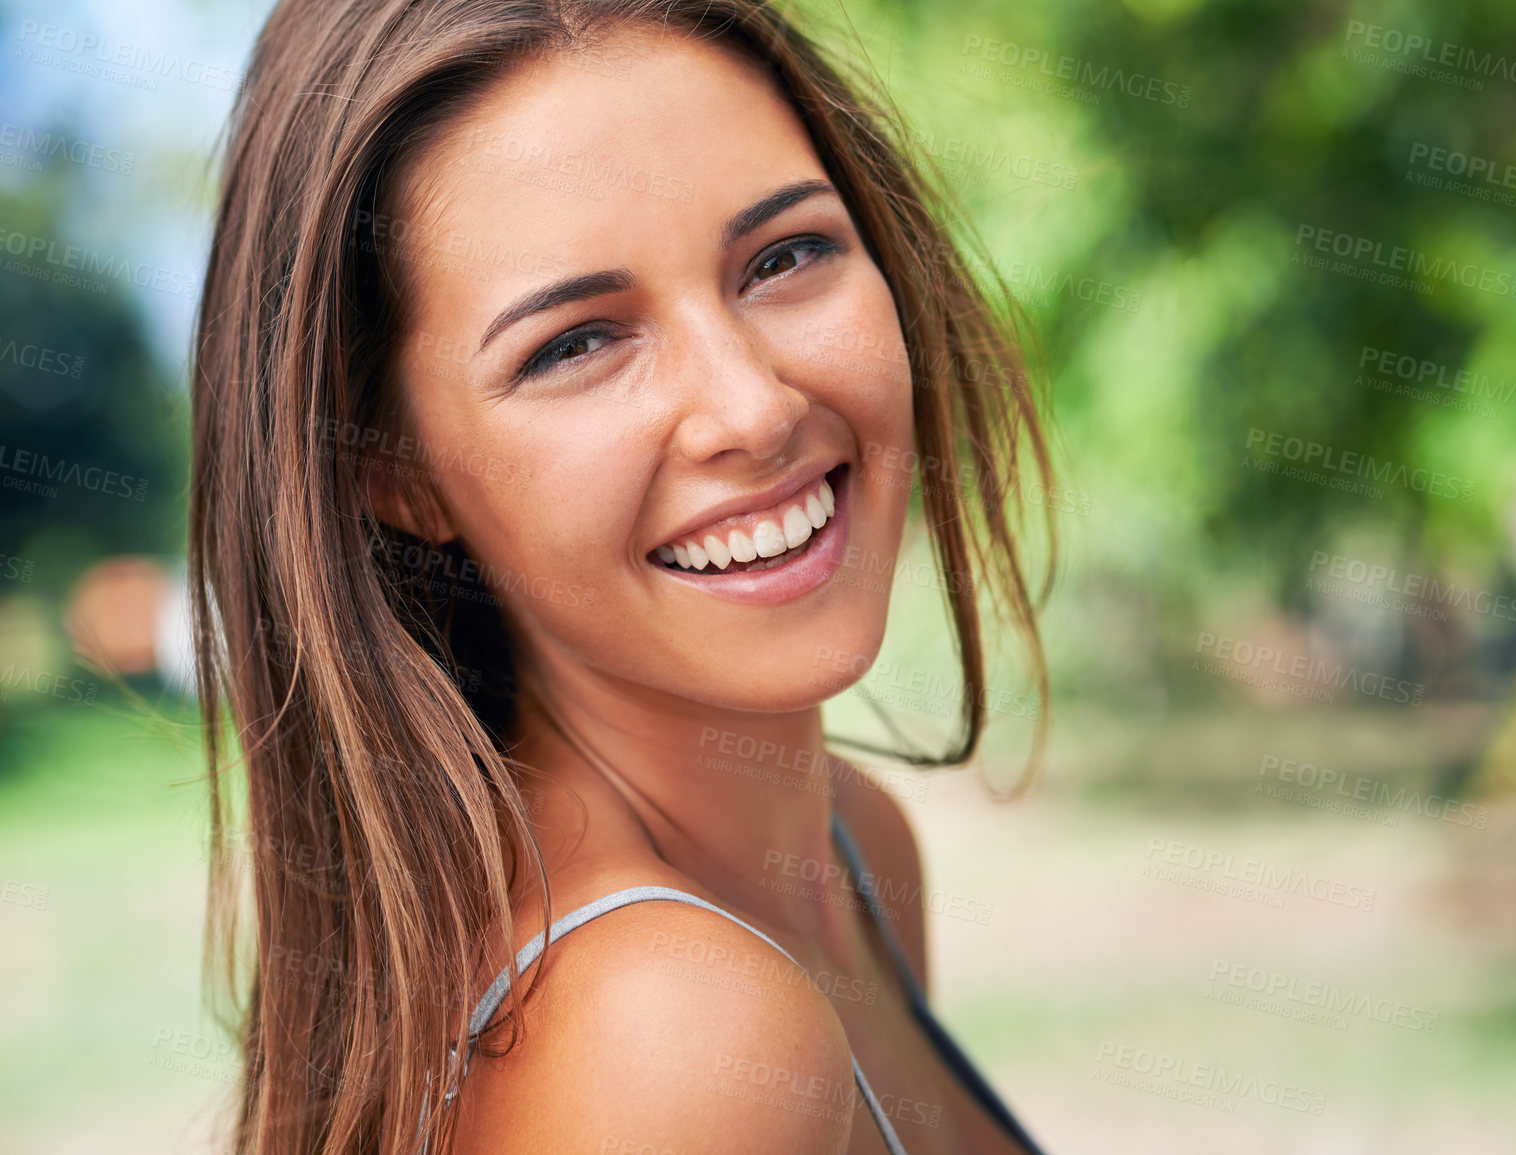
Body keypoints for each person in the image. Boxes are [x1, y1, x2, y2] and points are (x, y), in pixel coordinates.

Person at [188, 1, 1056, 1152]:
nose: (752, 408)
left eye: (785, 256)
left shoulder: (856, 846)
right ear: (395, 472)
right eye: (577, 344)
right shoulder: (678, 1037)